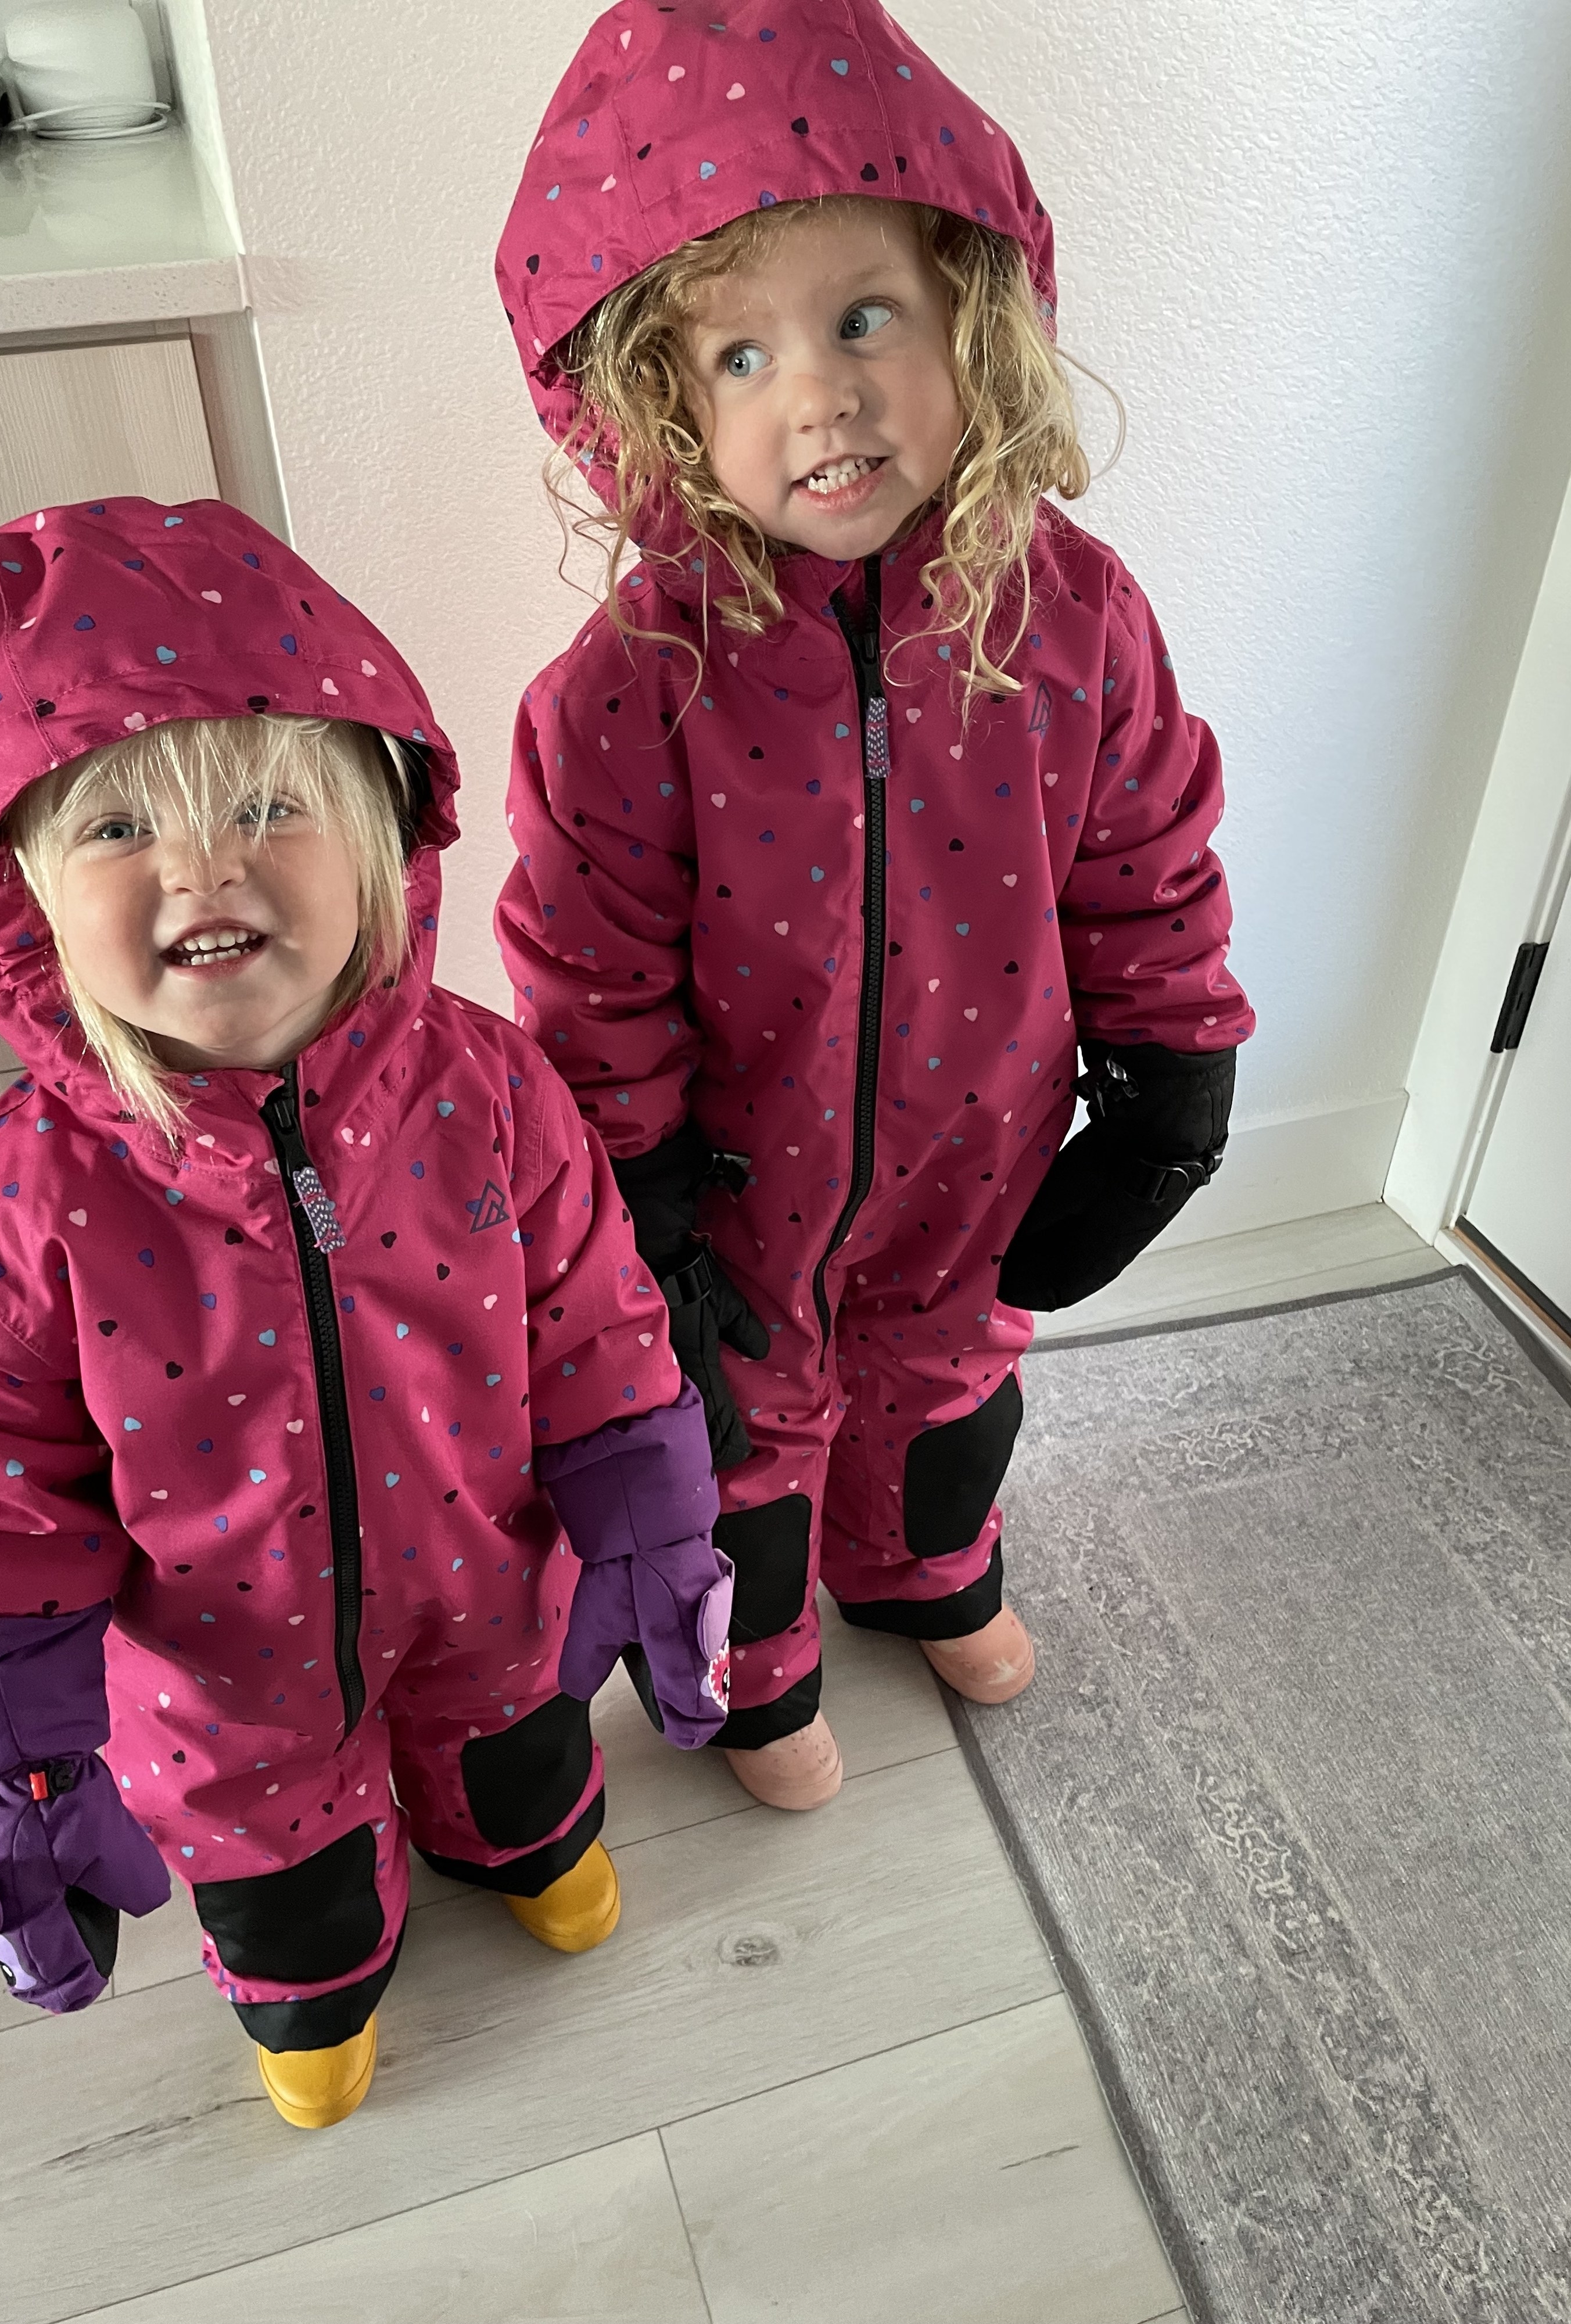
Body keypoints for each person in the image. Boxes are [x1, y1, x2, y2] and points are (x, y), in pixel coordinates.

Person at [0, 496, 731, 2129]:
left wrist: (655, 1525)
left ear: (382, 841)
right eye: (117, 831)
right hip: (223, 1689)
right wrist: (20, 1771)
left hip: (493, 1591)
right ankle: (319, 1983)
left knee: (522, 1762)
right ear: (17, 903)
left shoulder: (488, 1090)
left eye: (267, 803)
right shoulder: (12, 1212)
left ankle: (516, 1848)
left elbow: (599, 1320)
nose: (204, 864)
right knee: (292, 1895)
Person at [494, 0, 1254, 1810]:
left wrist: (1171, 1073)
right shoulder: (626, 693)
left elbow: (1144, 854)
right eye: (739, 358)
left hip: (973, 1157)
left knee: (949, 1386)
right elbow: (587, 970)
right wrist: (639, 1201)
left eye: (860, 320)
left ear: (969, 317)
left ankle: (922, 1569)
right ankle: (759, 1677)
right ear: (657, 409)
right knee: (741, 1439)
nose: (821, 393)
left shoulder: (1067, 613)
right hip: (738, 1207)